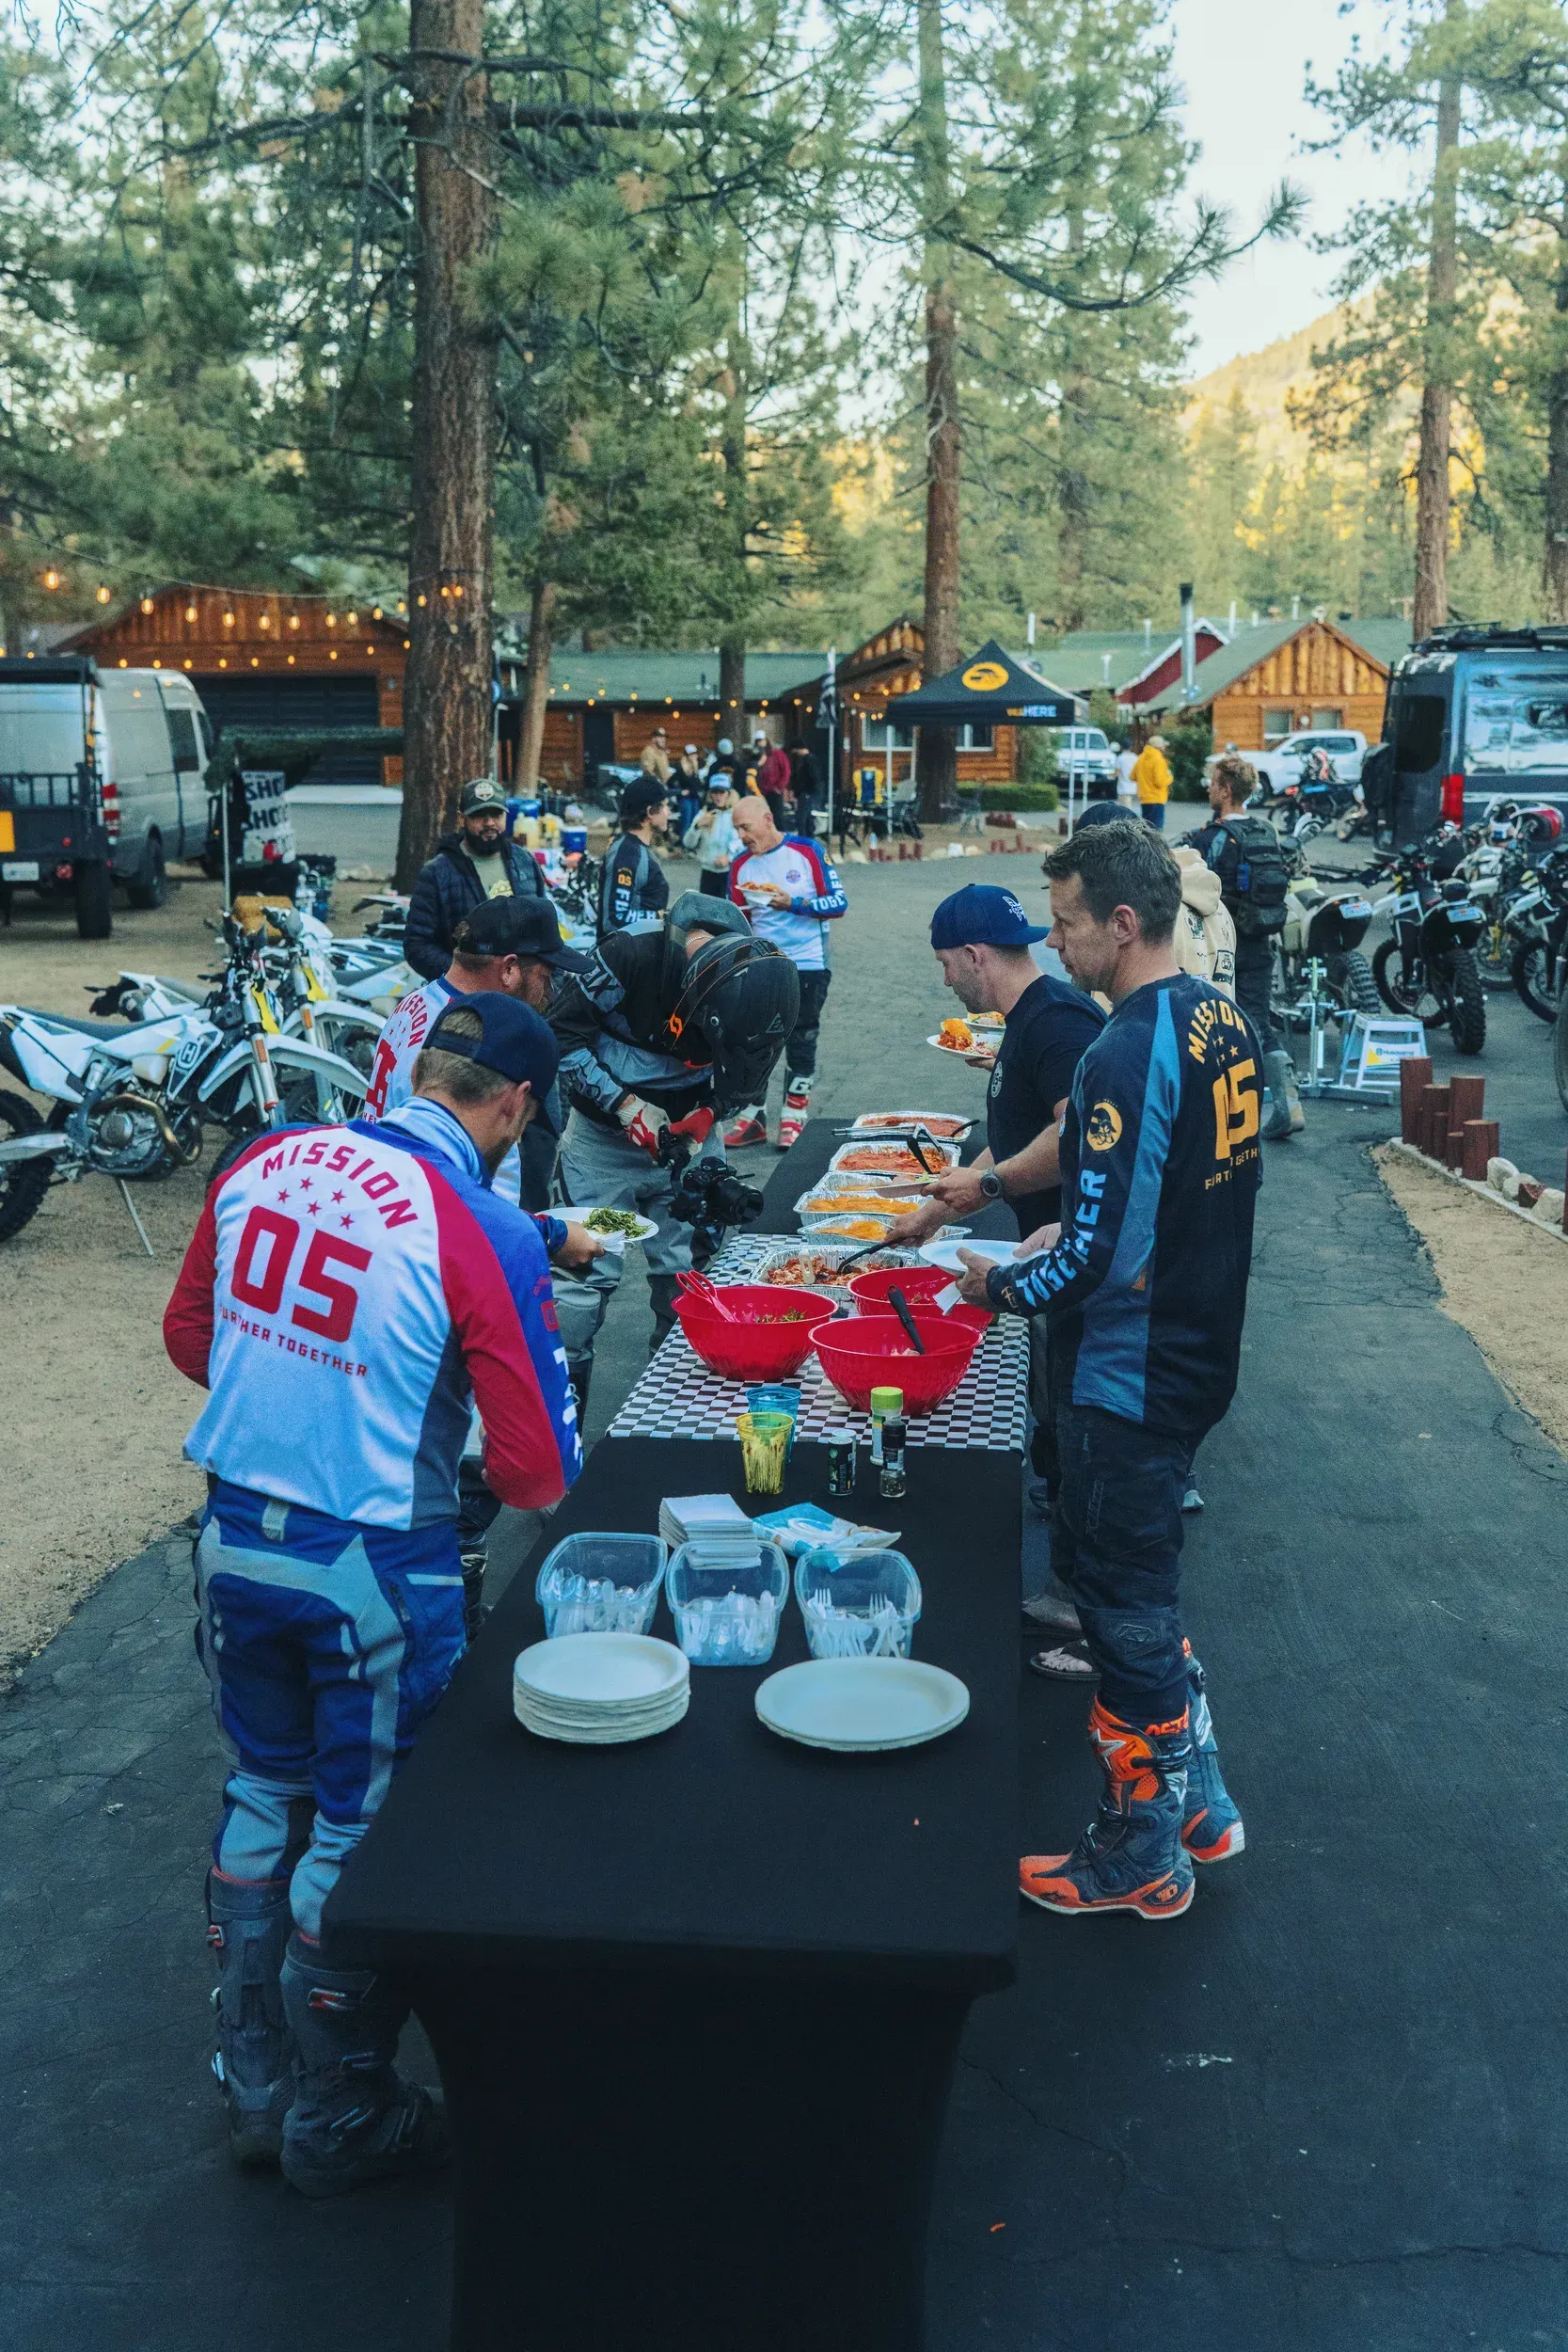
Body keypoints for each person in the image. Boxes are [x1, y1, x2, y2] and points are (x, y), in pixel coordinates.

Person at [165, 993, 580, 2192]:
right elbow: (532, 1470)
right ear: (512, 1104)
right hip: (372, 1564)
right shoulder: (480, 1227)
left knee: (261, 1784)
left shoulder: (262, 1155)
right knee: (357, 1823)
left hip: (234, 1534)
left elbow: (193, 1339)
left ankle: (252, 2075)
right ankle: (340, 2107)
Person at [954, 821, 1257, 1920]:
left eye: (1068, 923)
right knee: (1145, 1594)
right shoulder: (1221, 1017)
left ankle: (1136, 1855)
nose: (1055, 940)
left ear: (1121, 925)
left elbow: (1098, 1256)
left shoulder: (1123, 1045)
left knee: (1120, 1610)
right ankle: (1199, 1803)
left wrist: (991, 1286)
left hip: (1128, 1374)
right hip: (1192, 1349)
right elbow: (1157, 1191)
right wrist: (1028, 1220)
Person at [896, 884, 1104, 1657]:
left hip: (1068, 1252)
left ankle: (1081, 1600)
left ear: (974, 956)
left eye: (947, 964)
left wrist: (986, 1187)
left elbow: (1074, 1132)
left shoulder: (1055, 1022)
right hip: (1041, 1249)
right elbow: (1016, 1131)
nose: (946, 980)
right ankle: (1064, 1550)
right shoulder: (1024, 1021)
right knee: (1055, 1412)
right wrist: (939, 1209)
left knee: (1078, 1417)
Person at [549, 892, 799, 1391]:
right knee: (580, 1284)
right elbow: (557, 1032)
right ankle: (561, 1430)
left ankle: (673, 1419)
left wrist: (711, 1114)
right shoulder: (628, 957)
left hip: (691, 1144)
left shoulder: (756, 978)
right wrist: (624, 1107)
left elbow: (750, 1071)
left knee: (694, 1283)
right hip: (603, 1148)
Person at [721, 793, 847, 1151]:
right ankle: (752, 1116)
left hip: (808, 962)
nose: (742, 836)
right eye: (737, 830)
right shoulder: (740, 865)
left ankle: (794, 1116)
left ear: (767, 819)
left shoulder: (807, 851)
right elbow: (738, 919)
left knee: (801, 1039)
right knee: (751, 1041)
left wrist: (793, 903)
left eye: (745, 827)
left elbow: (838, 904)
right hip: (760, 965)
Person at [1188, 752, 1300, 1140]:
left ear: (1226, 789)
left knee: (1214, 1026)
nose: (1208, 788)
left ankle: (1224, 1115)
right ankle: (1287, 1101)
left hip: (1222, 946)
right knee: (1257, 1018)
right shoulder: (1264, 830)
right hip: (1262, 939)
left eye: (1213, 782)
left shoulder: (1212, 838)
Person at [404, 776, 546, 980]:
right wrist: (467, 977)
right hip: (467, 997)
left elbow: (545, 929)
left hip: (523, 990)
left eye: (496, 814)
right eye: (479, 815)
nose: (489, 823)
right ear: (463, 818)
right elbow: (417, 946)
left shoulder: (524, 861)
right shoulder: (438, 872)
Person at [598, 779, 672, 936]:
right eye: (665, 805)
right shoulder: (627, 854)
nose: (668, 812)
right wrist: (663, 918)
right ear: (650, 812)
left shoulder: (638, 849)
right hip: (623, 957)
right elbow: (615, 919)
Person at [683, 771, 743, 898]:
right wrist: (698, 826)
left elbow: (743, 843)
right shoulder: (703, 814)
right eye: (715, 792)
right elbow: (688, 843)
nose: (718, 796)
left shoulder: (735, 815)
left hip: (728, 872)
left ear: (729, 794)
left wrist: (729, 858)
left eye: (722, 792)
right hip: (707, 871)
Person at [1132, 735, 1172, 830]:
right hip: (1157, 798)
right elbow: (1160, 782)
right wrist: (1169, 778)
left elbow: (1132, 776)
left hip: (1144, 798)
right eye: (1163, 745)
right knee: (1157, 830)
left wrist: (1144, 781)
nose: (1165, 747)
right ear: (1158, 746)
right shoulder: (1159, 759)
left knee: (1146, 830)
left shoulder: (1141, 758)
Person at [756, 734, 792, 828]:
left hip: (774, 791)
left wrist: (780, 786)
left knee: (778, 818)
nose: (760, 743)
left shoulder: (777, 754)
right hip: (762, 792)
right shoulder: (757, 755)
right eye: (758, 741)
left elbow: (786, 771)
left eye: (761, 740)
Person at [788, 741, 820, 835]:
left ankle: (804, 837)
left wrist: (808, 791)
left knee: (802, 817)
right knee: (807, 817)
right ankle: (809, 836)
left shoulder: (809, 760)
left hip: (806, 792)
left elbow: (814, 777)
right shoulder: (807, 759)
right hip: (806, 792)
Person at [673, 742, 705, 835]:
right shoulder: (681, 768)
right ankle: (684, 843)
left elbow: (697, 783)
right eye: (691, 754)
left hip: (694, 797)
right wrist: (680, 791)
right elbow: (671, 782)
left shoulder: (695, 767)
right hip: (686, 799)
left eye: (695, 753)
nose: (694, 756)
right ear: (686, 756)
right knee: (686, 822)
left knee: (694, 822)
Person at [1115, 741, 1138, 813]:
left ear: (1122, 747)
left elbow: (1117, 772)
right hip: (1134, 786)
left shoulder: (1120, 758)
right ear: (1131, 747)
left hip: (1123, 787)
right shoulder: (1135, 757)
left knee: (1125, 809)